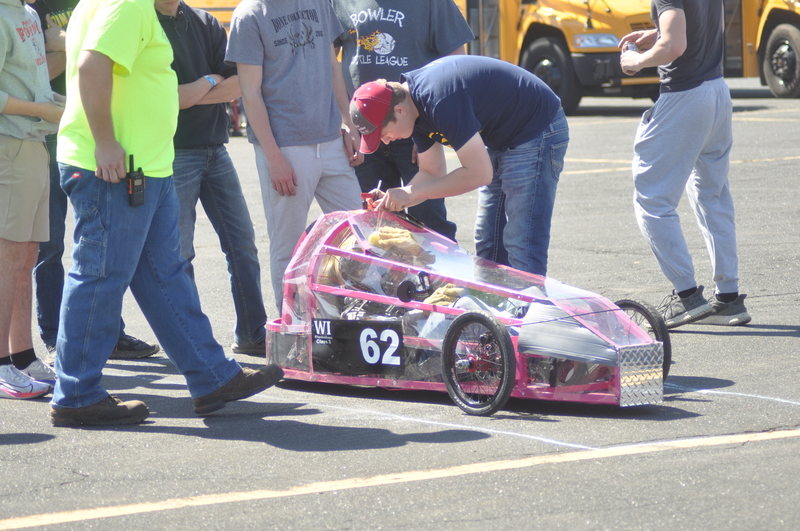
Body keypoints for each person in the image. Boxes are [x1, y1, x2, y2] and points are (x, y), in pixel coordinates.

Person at [50, 0, 283, 427]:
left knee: (164, 275)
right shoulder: (129, 3)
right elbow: (91, 66)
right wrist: (105, 141)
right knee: (100, 274)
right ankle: (76, 393)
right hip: (116, 167)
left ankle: (212, 377)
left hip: (146, 167)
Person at [351, 55, 569, 277]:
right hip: (501, 136)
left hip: (536, 128)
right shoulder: (413, 107)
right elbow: (431, 172)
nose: (386, 141)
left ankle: (532, 307)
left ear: (399, 111)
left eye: (385, 133)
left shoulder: (439, 98)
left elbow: (479, 174)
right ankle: (493, 307)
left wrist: (410, 193)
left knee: (521, 242)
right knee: (488, 240)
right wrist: (396, 197)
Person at [31, 0, 161, 362]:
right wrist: (74, 45)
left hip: (93, 141)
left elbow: (81, 60)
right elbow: (41, 70)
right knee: (51, 247)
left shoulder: (87, 4)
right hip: (45, 139)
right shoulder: (32, 8)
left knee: (102, 249)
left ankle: (109, 333)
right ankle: (58, 337)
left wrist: (62, 40)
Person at [619, 0, 750, 328]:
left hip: (685, 95)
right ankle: (729, 299)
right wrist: (658, 31)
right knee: (713, 195)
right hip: (717, 92)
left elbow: (675, 46)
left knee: (652, 199)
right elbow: (711, 28)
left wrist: (638, 59)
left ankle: (687, 296)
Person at [226, 0, 363, 312]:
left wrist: (348, 121)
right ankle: (293, 328)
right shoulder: (249, 15)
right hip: (285, 147)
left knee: (357, 235)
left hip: (330, 141)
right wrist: (273, 158)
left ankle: (355, 318)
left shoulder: (319, 2)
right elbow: (251, 93)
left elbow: (332, 66)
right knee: (288, 248)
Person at [155, 0, 268, 356]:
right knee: (180, 254)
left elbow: (239, 85)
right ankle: (193, 342)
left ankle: (252, 333)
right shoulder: (144, 22)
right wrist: (210, 79)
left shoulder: (204, 21)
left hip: (216, 149)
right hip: (174, 153)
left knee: (243, 246)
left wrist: (193, 94)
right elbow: (167, 99)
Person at [331, 0, 473, 240]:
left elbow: (455, 61)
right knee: (373, 227)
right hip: (365, 132)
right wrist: (347, 121)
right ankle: (386, 278)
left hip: (416, 127)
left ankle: (440, 277)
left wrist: (430, 126)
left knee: (429, 224)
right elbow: (330, 63)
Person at [0, 0, 63, 399]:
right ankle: (3, 367)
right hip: (11, 144)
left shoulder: (24, 13)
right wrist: (43, 108)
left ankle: (21, 355)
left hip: (35, 141)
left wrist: (53, 106)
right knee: (7, 258)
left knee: (27, 256)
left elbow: (31, 80)